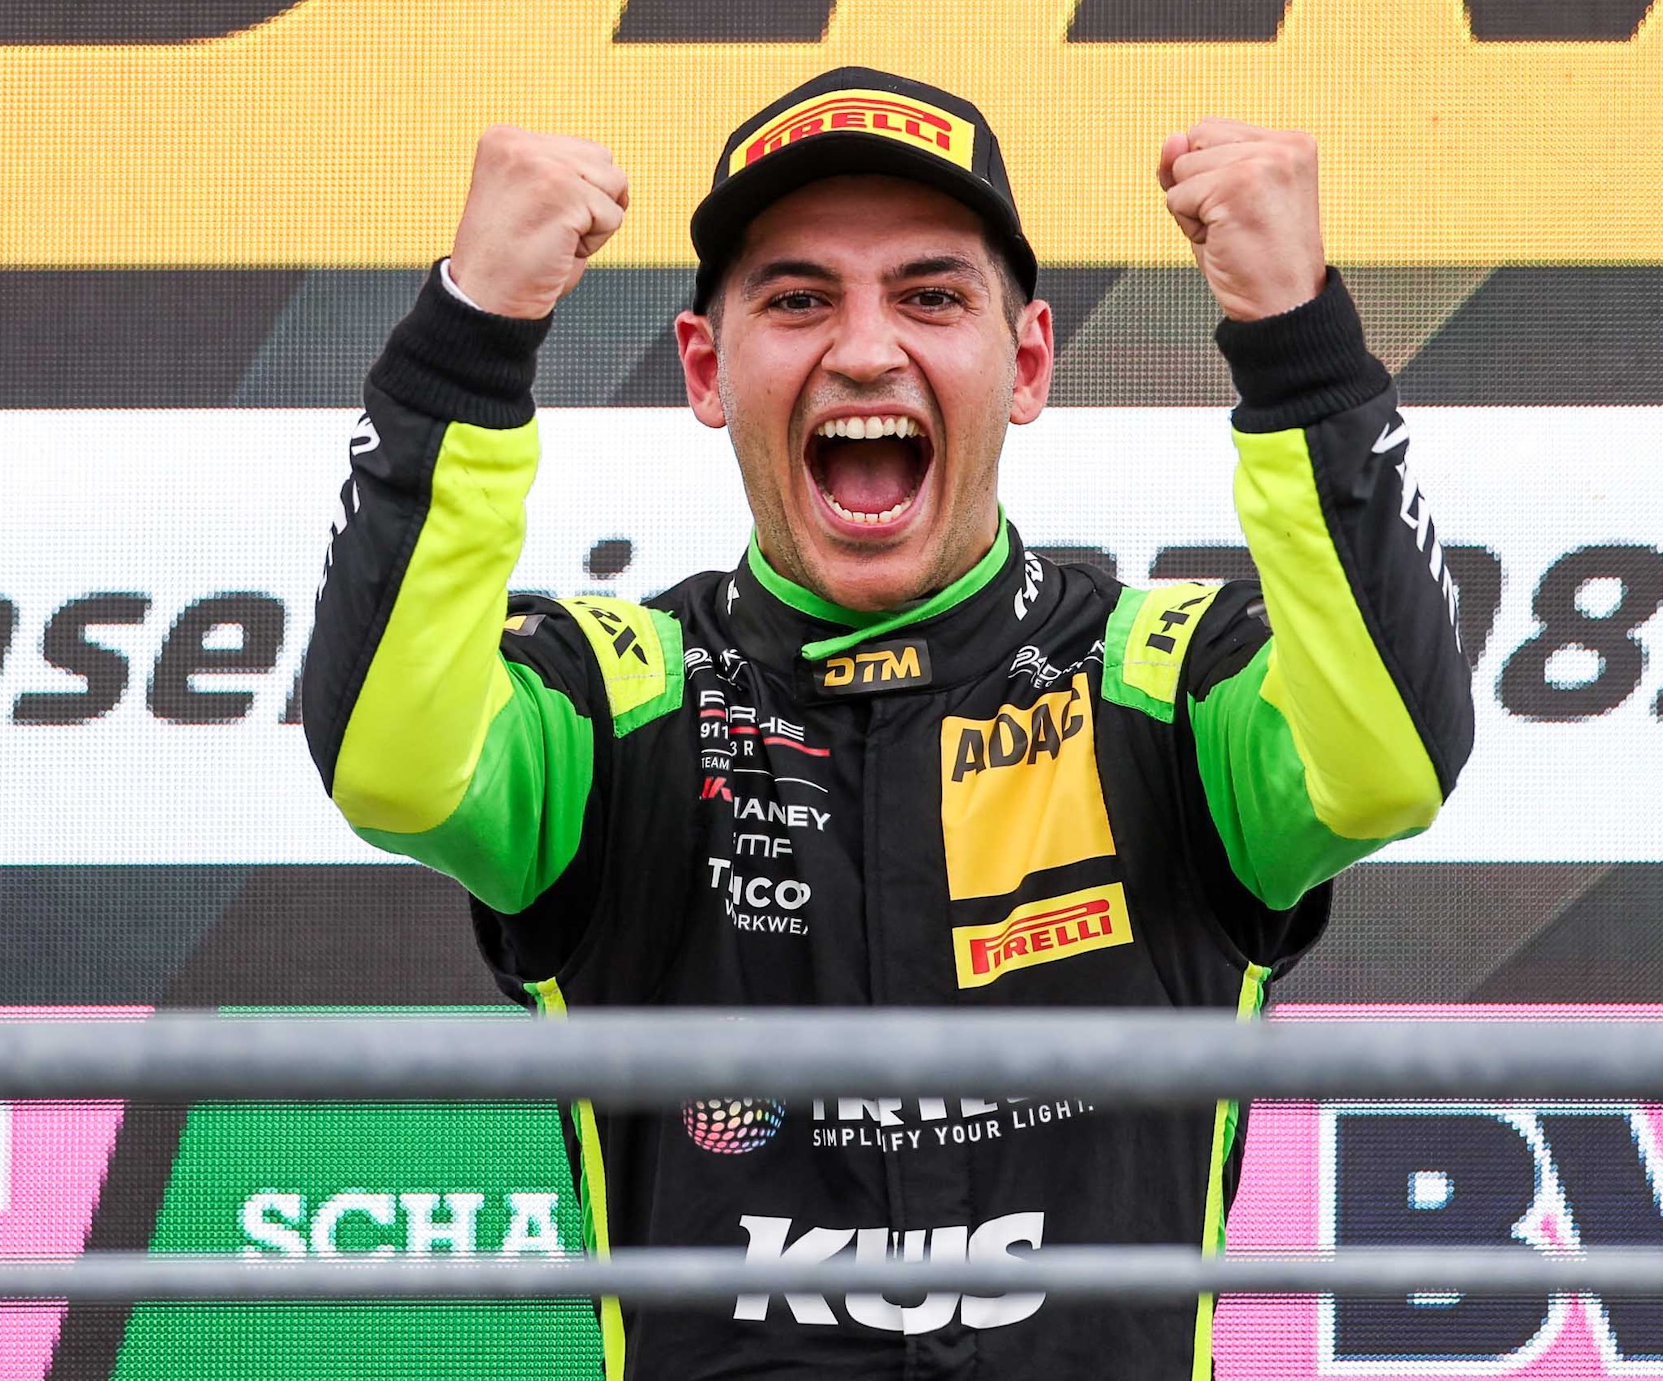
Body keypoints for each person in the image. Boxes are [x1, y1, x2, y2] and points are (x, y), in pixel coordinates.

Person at [300, 68, 1473, 1380]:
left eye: (930, 297)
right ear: (706, 369)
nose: (864, 351)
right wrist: (467, 337)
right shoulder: (618, 697)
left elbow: (1386, 767)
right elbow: (393, 768)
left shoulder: (1163, 680)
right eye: (798, 300)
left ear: (1026, 363)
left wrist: (1299, 346)